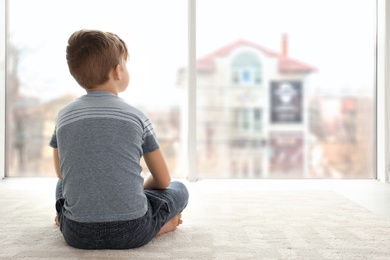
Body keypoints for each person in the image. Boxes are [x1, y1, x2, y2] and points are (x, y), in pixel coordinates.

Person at [50, 29, 189, 249]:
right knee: (179, 188)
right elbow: (163, 180)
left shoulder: (63, 116)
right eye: (126, 64)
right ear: (118, 71)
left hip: (76, 234)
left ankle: (63, 218)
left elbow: (61, 173)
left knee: (61, 185)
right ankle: (160, 226)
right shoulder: (136, 116)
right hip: (133, 230)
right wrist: (133, 187)